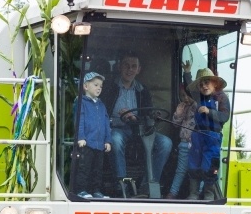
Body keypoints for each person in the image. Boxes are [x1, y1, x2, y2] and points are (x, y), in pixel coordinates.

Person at [100, 51, 172, 197]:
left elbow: (147, 115)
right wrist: (117, 119)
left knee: (166, 143)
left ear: (139, 70)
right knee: (115, 140)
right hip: (116, 128)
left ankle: (147, 186)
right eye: (126, 65)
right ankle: (122, 187)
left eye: (134, 66)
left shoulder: (143, 90)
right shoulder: (108, 87)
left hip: (139, 129)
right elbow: (101, 113)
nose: (130, 69)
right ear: (120, 67)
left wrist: (135, 118)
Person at [185, 67, 231, 200]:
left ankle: (209, 194)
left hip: (213, 136)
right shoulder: (198, 97)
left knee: (210, 165)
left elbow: (225, 116)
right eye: (201, 84)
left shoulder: (222, 98)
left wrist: (209, 112)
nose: (204, 86)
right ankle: (193, 193)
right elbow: (189, 88)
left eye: (207, 82)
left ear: (215, 83)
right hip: (197, 134)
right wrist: (187, 72)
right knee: (193, 164)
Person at [73, 72, 111, 199]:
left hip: (99, 143)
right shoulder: (80, 102)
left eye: (101, 86)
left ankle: (96, 190)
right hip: (87, 142)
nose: (99, 88)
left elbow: (106, 124)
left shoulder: (101, 105)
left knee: (97, 169)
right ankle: (81, 190)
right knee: (84, 167)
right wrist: (80, 137)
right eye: (95, 85)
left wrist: (108, 140)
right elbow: (79, 121)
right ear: (85, 86)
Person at [166, 82, 197, 199]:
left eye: (187, 95)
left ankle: (196, 193)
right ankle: (173, 192)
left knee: (195, 170)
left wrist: (188, 73)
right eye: (182, 96)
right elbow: (175, 124)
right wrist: (178, 114)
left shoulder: (196, 105)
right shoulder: (182, 106)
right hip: (184, 142)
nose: (185, 98)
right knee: (180, 170)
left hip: (196, 144)